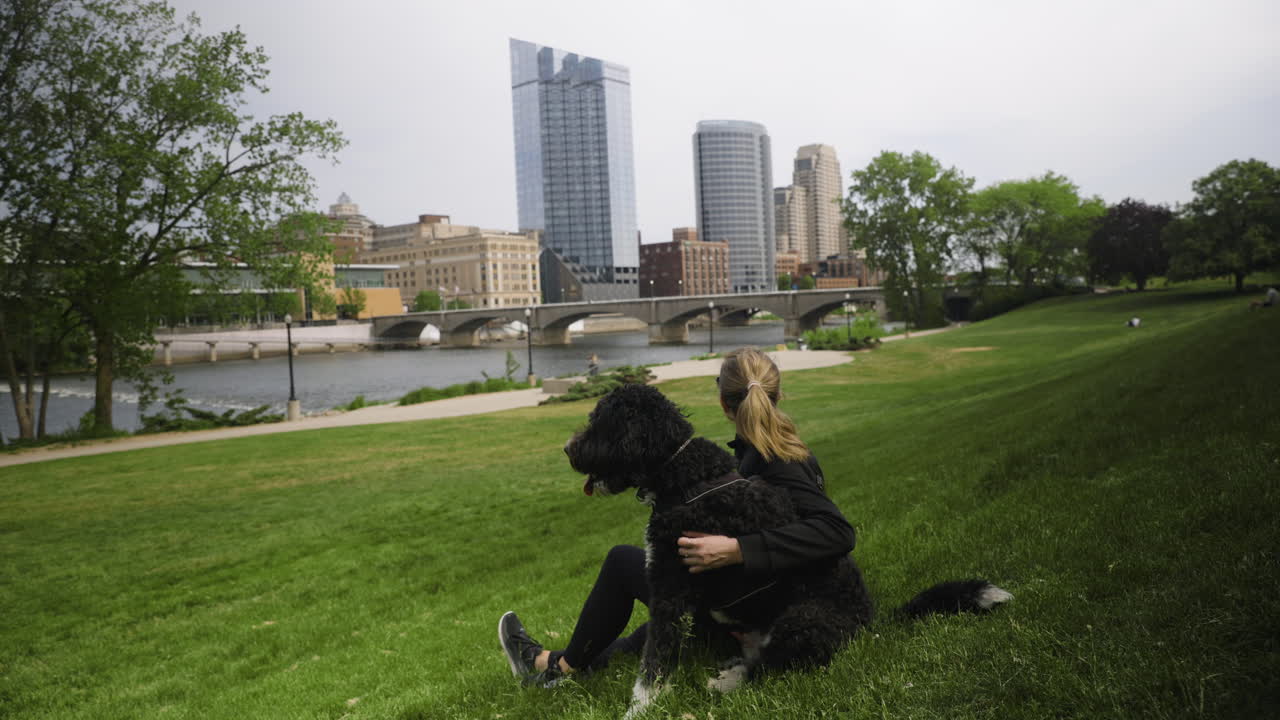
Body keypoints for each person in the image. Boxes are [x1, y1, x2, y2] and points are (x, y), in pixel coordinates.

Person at [499, 347, 856, 686]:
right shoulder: (764, 450)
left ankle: (557, 667)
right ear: (778, 394)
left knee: (624, 564)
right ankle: (551, 661)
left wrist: (737, 549)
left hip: (768, 612)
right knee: (667, 591)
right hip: (755, 600)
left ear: (723, 402)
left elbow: (836, 531)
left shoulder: (777, 459)